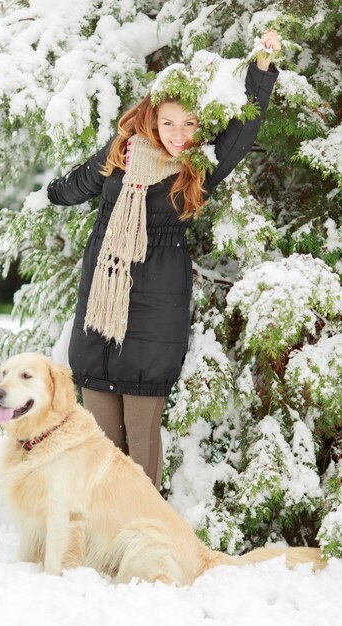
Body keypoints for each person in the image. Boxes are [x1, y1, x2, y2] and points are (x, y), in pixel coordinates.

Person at [47, 30, 281, 490]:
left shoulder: (199, 169)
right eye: (169, 123)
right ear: (152, 120)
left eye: (189, 124)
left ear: (200, 127)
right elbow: (76, 186)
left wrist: (262, 68)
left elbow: (244, 129)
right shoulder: (122, 154)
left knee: (141, 440)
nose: (178, 135)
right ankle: (101, 538)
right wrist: (49, 194)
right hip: (101, 306)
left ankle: (142, 533)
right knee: (99, 443)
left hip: (156, 309)